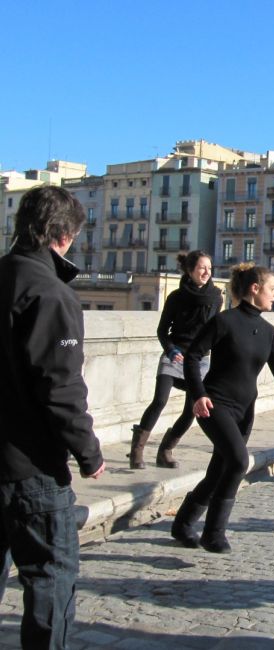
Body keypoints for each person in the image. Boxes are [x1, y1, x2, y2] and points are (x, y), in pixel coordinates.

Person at [0, 186, 106, 649]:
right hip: (30, 466)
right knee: (50, 576)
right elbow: (60, 390)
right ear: (62, 235)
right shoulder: (52, 294)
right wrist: (88, 451)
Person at [171, 264, 274, 553]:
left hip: (244, 411)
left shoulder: (268, 331)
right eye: (272, 289)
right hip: (214, 404)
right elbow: (192, 357)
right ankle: (213, 534)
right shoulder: (224, 322)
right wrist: (198, 395)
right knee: (238, 462)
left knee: (218, 472)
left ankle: (183, 523)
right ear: (255, 288)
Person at [129, 250, 222, 469]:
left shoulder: (216, 297)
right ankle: (137, 449)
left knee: (192, 409)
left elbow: (216, 331)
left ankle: (165, 451)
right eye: (202, 268)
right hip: (175, 355)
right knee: (160, 401)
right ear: (190, 271)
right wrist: (170, 349)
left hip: (199, 360)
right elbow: (162, 331)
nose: (207, 272)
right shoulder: (176, 298)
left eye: (209, 268)